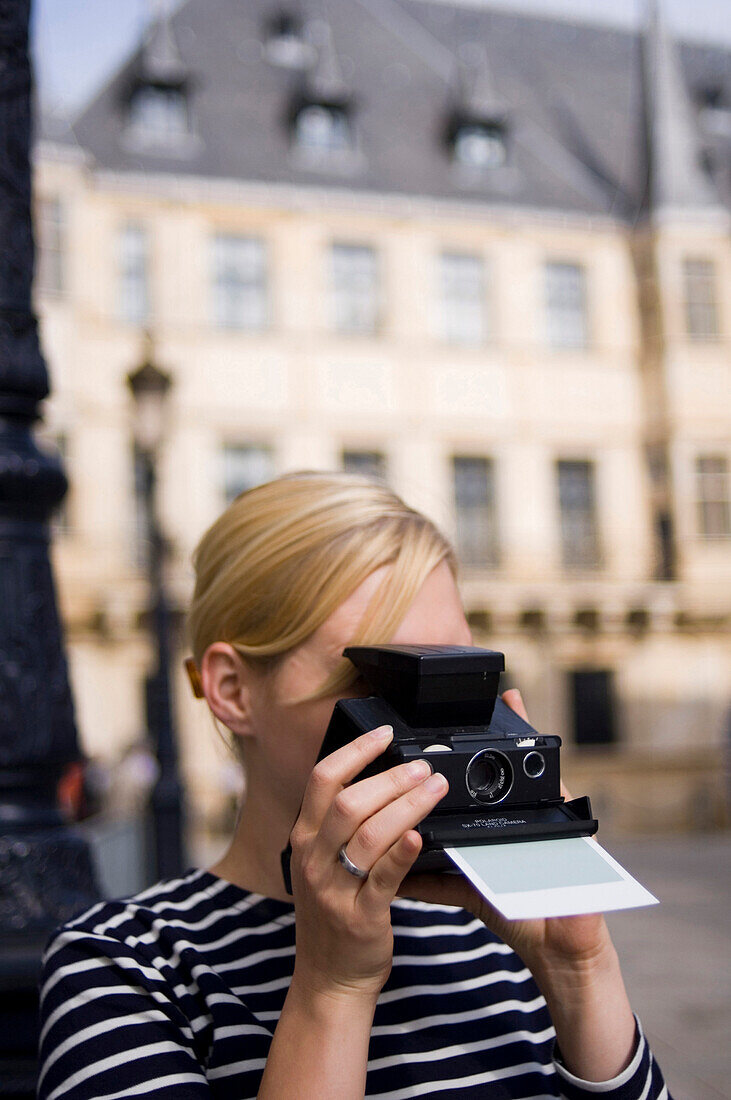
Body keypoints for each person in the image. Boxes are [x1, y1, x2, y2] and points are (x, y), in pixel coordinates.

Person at [38, 472, 670, 1099]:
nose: (435, 729)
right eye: (385, 684)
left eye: (456, 680)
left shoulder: (498, 936)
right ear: (233, 691)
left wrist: (578, 971)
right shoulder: (126, 968)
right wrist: (330, 988)